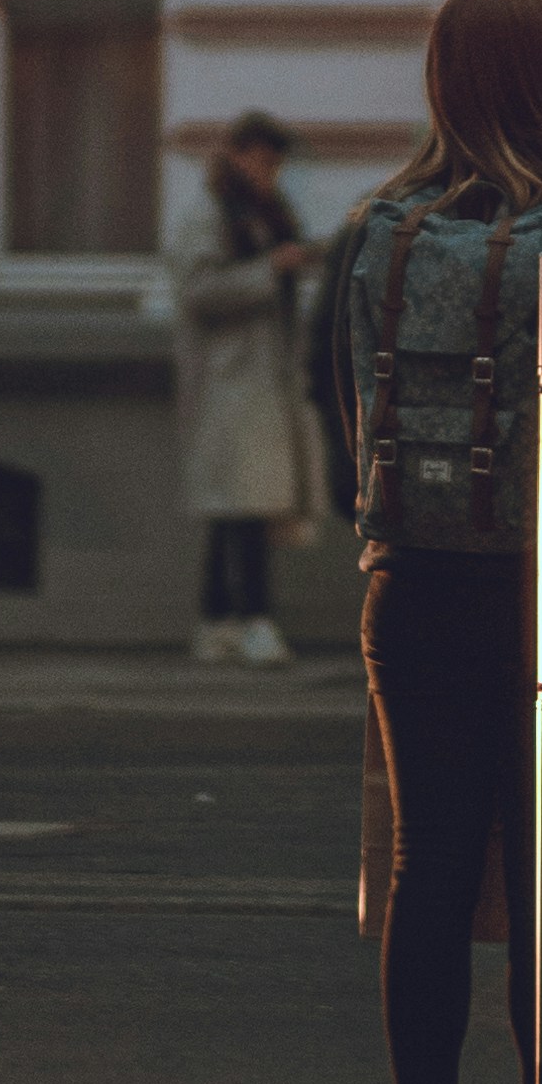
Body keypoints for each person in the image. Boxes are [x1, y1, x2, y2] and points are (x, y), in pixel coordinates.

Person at [333, 0, 542, 1084]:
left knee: (428, 860)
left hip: (411, 580)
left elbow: (344, 409)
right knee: (541, 870)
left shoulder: (376, 232)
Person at [163, 108, 322, 666]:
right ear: (236, 156)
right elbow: (198, 291)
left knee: (242, 507)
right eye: (261, 161)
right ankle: (250, 620)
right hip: (229, 382)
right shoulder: (208, 214)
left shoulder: (263, 211)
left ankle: (220, 620)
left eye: (275, 164)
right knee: (243, 505)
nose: (268, 172)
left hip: (263, 381)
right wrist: (272, 269)